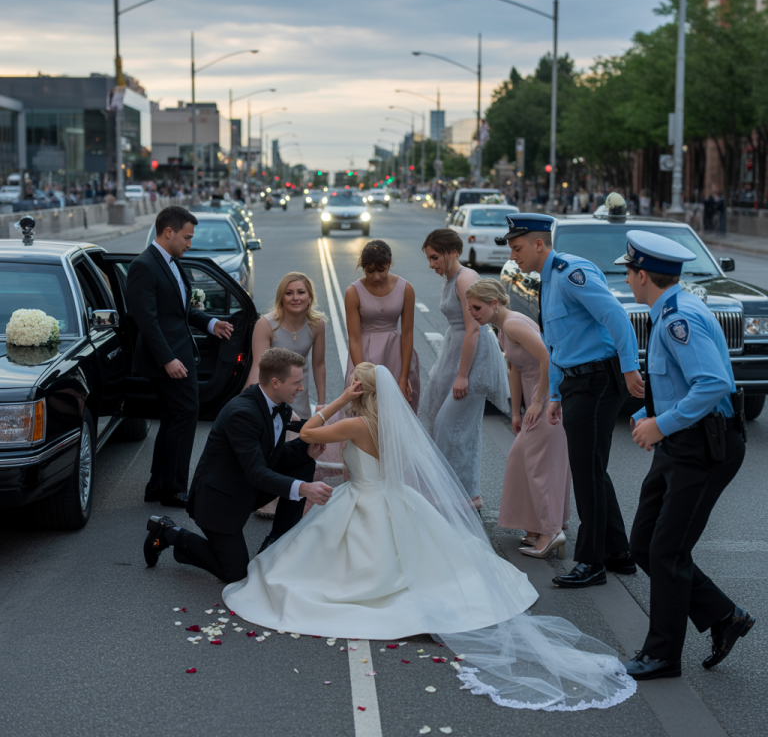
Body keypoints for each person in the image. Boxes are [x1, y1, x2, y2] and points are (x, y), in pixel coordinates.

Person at [220, 363, 636, 711]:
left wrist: (342, 400)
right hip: (397, 500)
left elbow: (309, 431)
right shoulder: (392, 424)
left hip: (361, 501)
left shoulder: (356, 423)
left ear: (359, 389)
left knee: (325, 563)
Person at [614, 231, 753, 681]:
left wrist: (661, 425)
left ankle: (662, 655)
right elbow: (677, 381)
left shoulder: (680, 318)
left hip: (703, 447)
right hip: (681, 441)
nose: (628, 279)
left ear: (641, 275)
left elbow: (714, 384)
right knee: (644, 546)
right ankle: (724, 616)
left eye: (629, 272)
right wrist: (648, 415)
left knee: (668, 550)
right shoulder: (668, 310)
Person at [496, 205, 643, 589]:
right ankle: (618, 554)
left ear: (539, 243)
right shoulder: (546, 280)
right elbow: (557, 344)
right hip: (578, 383)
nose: (512, 255)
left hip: (598, 380)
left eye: (517, 247)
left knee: (586, 473)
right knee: (592, 470)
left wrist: (630, 368)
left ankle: (592, 562)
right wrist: (556, 393)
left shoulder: (570, 273)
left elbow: (616, 317)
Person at [143, 348, 330, 581]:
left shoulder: (277, 405)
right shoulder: (242, 414)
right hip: (219, 502)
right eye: (297, 383)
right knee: (236, 573)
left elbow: (274, 457)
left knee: (304, 459)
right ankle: (170, 534)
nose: (301, 388)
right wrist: (304, 488)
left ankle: (278, 538)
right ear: (275, 382)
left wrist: (307, 451)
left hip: (246, 488)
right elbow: (257, 473)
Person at [128, 206, 234, 507]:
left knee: (174, 418)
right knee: (185, 414)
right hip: (168, 360)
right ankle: (174, 489)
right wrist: (167, 359)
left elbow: (179, 311)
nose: (190, 243)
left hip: (178, 355)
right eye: (187, 237)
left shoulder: (172, 263)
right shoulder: (144, 266)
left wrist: (211, 323)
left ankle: (159, 485)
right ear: (169, 232)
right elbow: (146, 320)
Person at [466, 279, 571, 559]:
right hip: (535, 398)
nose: (472, 312)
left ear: (494, 304)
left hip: (546, 397)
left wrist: (538, 401)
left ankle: (550, 532)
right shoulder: (502, 329)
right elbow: (514, 369)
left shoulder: (512, 324)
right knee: (520, 461)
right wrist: (515, 412)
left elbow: (548, 357)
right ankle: (539, 526)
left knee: (540, 467)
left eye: (476, 307)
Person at [418, 229, 509, 508]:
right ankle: (465, 493)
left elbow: (474, 330)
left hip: (472, 359)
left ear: (452, 253)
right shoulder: (451, 278)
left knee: (451, 426)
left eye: (435, 257)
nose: (431, 264)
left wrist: (462, 376)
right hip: (455, 351)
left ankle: (464, 495)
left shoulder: (466, 278)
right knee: (444, 422)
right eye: (429, 258)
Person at [244, 272, 328, 518]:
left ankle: (292, 496)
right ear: (281, 297)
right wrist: (253, 401)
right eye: (289, 293)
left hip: (299, 395)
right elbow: (259, 367)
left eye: (301, 292)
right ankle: (267, 498)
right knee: (272, 446)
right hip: (270, 394)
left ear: (309, 296)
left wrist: (321, 403)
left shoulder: (317, 325)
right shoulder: (266, 324)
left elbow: (319, 364)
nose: (295, 298)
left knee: (295, 446)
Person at [345, 239, 419, 410]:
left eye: (381, 270)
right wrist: (361, 374)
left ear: (390, 264)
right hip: (364, 356)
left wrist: (403, 377)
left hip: (397, 355)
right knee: (366, 412)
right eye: (369, 271)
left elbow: (407, 334)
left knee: (398, 411)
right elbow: (354, 338)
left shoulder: (406, 288)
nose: (376, 276)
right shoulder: (353, 292)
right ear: (362, 267)